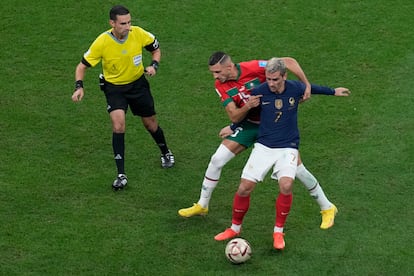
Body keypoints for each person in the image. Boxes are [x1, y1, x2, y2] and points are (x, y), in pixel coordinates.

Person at [178, 52, 350, 230]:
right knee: (217, 159)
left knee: (298, 171)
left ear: (229, 67)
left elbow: (288, 62)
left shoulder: (252, 67)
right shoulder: (220, 85)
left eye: (217, 72)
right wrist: (235, 123)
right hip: (248, 124)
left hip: (275, 126)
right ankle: (202, 204)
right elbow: (234, 115)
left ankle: (327, 207)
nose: (215, 76)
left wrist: (307, 85)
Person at [214, 57, 315, 249]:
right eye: (268, 79)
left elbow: (296, 69)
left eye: (275, 79)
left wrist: (317, 87)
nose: (270, 83)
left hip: (287, 145)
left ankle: (278, 232)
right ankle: (235, 228)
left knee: (286, 185)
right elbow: (250, 108)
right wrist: (233, 125)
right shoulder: (261, 91)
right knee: (244, 187)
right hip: (264, 145)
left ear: (283, 77)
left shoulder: (290, 85)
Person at [71, 5, 175, 191]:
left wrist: (154, 66)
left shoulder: (138, 33)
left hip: (138, 85)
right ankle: (121, 175)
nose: (127, 27)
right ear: (112, 23)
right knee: (118, 124)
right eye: (123, 23)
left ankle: (165, 152)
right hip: (114, 89)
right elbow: (81, 66)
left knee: (150, 124)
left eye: (129, 22)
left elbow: (156, 50)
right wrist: (79, 87)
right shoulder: (102, 42)